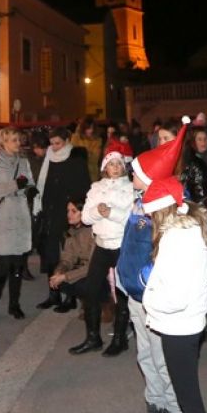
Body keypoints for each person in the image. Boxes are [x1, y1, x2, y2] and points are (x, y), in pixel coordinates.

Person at [118, 127, 188, 413]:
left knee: (162, 358)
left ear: (147, 177)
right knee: (145, 355)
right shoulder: (137, 203)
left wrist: (148, 280)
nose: (131, 170)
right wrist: (120, 274)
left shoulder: (162, 208)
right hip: (135, 294)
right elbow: (129, 243)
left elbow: (166, 253)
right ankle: (156, 406)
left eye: (136, 169)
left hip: (155, 298)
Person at [142, 175, 207, 413]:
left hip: (178, 326)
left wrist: (149, 300)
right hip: (192, 323)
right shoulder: (194, 229)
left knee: (189, 401)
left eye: (151, 214)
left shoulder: (174, 240)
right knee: (190, 397)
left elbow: (175, 298)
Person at [73, 142, 135, 355]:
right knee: (90, 291)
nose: (115, 167)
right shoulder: (96, 188)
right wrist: (98, 212)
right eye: (111, 163)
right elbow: (85, 217)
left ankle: (119, 338)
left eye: (119, 163)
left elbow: (129, 217)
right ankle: (92, 338)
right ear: (104, 167)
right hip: (101, 245)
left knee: (121, 293)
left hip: (120, 245)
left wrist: (111, 213)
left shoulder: (129, 188)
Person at [32, 127, 91, 310]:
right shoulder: (48, 157)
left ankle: (70, 297)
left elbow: (83, 187)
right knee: (50, 255)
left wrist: (76, 213)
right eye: (51, 143)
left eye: (58, 143)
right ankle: (53, 294)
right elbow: (44, 184)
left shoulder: (75, 158)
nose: (54, 147)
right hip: (49, 213)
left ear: (66, 141)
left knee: (69, 255)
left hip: (67, 215)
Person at [0, 126, 34, 321]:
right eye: (13, 140)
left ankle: (14, 305)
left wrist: (29, 190)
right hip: (3, 217)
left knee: (18, 266)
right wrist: (13, 185)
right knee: (3, 267)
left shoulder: (23, 161)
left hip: (20, 216)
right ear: (3, 142)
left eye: (18, 139)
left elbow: (29, 182)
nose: (17, 143)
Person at [48, 196, 93, 314]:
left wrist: (65, 276)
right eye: (68, 211)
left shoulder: (94, 233)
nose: (69, 214)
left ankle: (95, 304)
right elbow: (67, 257)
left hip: (96, 273)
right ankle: (75, 300)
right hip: (83, 268)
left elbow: (92, 266)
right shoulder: (71, 231)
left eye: (74, 211)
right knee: (58, 276)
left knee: (77, 282)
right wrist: (59, 272)